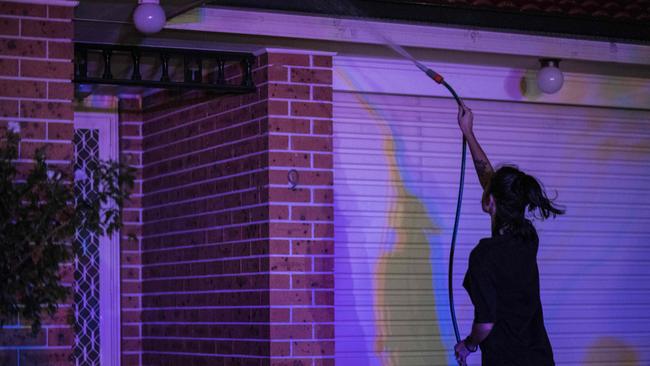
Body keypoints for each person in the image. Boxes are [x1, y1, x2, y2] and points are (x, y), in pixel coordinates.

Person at [453, 102, 564, 366]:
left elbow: (486, 323)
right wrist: (469, 133)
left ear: (490, 202)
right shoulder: (528, 238)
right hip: (540, 359)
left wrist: (468, 345)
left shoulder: (484, 256)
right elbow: (490, 180)